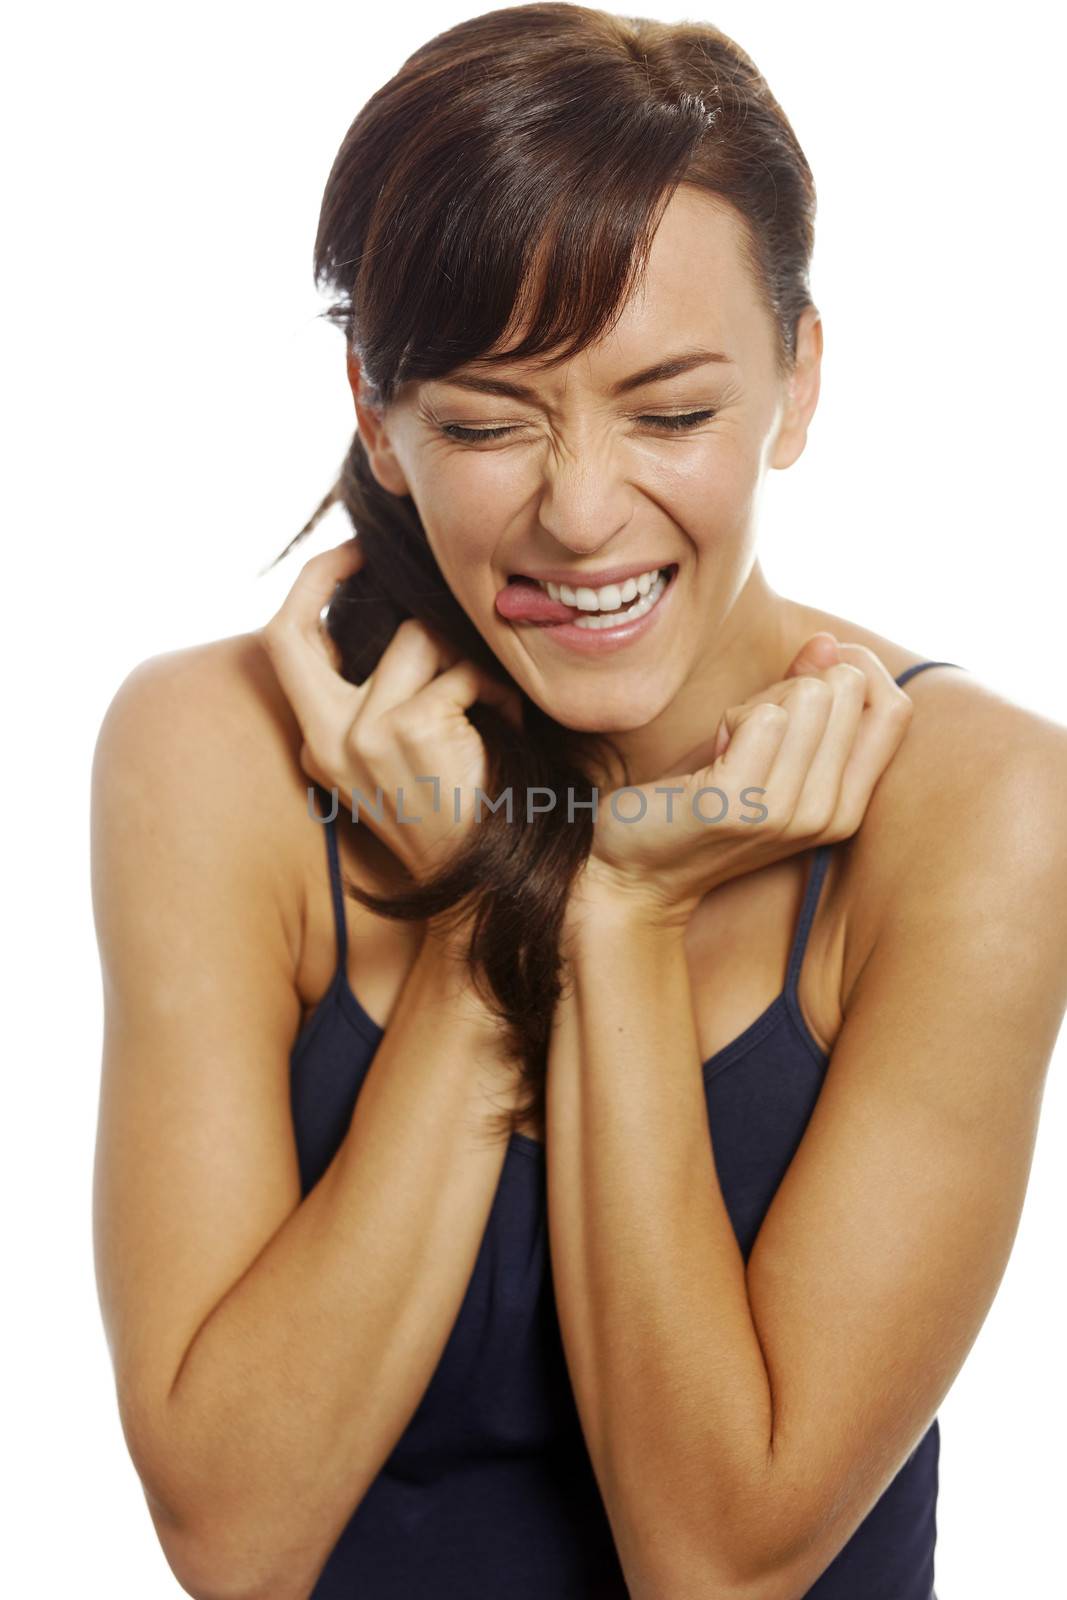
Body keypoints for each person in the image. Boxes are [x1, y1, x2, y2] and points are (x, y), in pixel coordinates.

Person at [90, 5, 1067, 1598]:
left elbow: (716, 1564)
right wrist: (509, 907)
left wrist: (624, 904)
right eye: (485, 420)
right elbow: (235, 1537)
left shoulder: (981, 806)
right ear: (377, 414)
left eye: (672, 413)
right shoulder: (208, 750)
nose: (581, 512)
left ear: (797, 383)